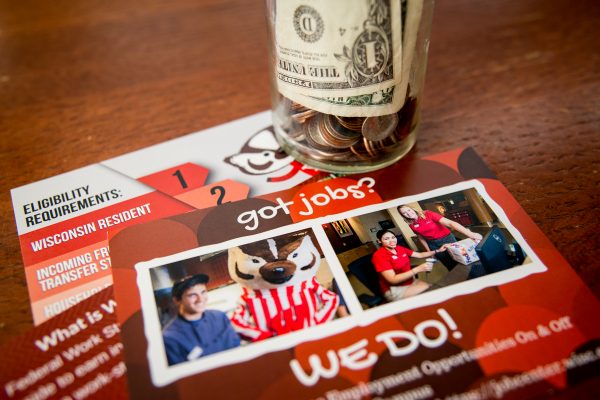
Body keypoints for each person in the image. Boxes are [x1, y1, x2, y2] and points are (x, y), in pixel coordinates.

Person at [162, 274, 240, 366]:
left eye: (203, 292)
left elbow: (236, 349)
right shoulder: (170, 337)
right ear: (177, 300)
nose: (200, 299)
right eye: (192, 295)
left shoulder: (220, 317)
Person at [398, 205, 482, 269]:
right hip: (432, 244)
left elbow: (450, 223)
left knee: (460, 259)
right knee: (448, 264)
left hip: (447, 239)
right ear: (403, 216)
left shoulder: (427, 214)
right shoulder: (411, 225)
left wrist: (471, 234)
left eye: (408, 210)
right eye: (404, 213)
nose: (408, 213)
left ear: (412, 209)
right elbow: (421, 237)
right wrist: (429, 251)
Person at [371, 230, 446, 301]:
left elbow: (419, 255)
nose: (392, 241)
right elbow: (392, 279)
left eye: (393, 237)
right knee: (431, 292)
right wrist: (417, 269)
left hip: (410, 281)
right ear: (379, 241)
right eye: (386, 239)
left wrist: (438, 250)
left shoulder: (399, 248)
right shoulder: (379, 256)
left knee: (433, 288)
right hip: (394, 289)